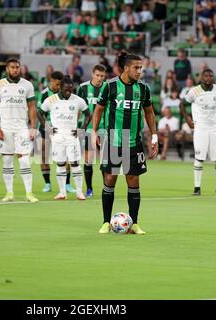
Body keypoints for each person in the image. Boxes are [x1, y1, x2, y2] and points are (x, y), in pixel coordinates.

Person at [91, 52, 159, 235]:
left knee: (133, 181)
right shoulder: (110, 86)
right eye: (136, 68)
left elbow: (149, 113)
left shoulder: (143, 89)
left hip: (134, 142)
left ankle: (134, 223)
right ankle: (106, 222)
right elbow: (98, 110)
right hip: (113, 141)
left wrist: (154, 136)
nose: (139, 71)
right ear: (126, 68)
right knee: (110, 179)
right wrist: (94, 131)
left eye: (141, 68)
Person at [0, 58, 39, 203]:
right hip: (5, 128)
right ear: (7, 69)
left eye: (17, 67)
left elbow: (32, 107)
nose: (15, 70)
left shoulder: (27, 85)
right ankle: (9, 193)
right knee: (7, 160)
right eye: (12, 67)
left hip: (21, 128)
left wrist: (32, 127)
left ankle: (29, 193)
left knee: (24, 160)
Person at [39, 76, 91, 200]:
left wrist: (82, 128)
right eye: (66, 89)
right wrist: (47, 127)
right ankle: (62, 192)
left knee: (75, 164)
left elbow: (88, 113)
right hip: (57, 137)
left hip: (72, 137)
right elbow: (39, 113)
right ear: (60, 87)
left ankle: (79, 192)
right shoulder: (51, 100)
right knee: (61, 164)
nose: (69, 92)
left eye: (71, 89)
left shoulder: (77, 100)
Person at [180, 68, 216, 196]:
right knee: (199, 158)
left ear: (213, 77)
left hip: (215, 129)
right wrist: (188, 119)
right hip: (200, 128)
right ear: (201, 77)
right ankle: (197, 188)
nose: (208, 78)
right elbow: (182, 104)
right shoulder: (194, 91)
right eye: (206, 76)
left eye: (211, 76)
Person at [77, 64, 107, 197]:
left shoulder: (107, 87)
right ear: (92, 74)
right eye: (97, 75)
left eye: (102, 76)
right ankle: (89, 188)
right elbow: (78, 108)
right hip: (88, 128)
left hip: (104, 128)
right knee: (88, 159)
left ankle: (106, 188)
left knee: (105, 160)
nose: (99, 78)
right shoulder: (83, 88)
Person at [36, 71, 63, 193]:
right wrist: (47, 127)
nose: (58, 87)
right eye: (56, 84)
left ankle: (66, 184)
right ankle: (47, 184)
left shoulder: (64, 93)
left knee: (64, 157)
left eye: (60, 85)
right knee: (44, 156)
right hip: (46, 128)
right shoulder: (44, 94)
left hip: (61, 129)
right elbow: (40, 113)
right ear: (51, 81)